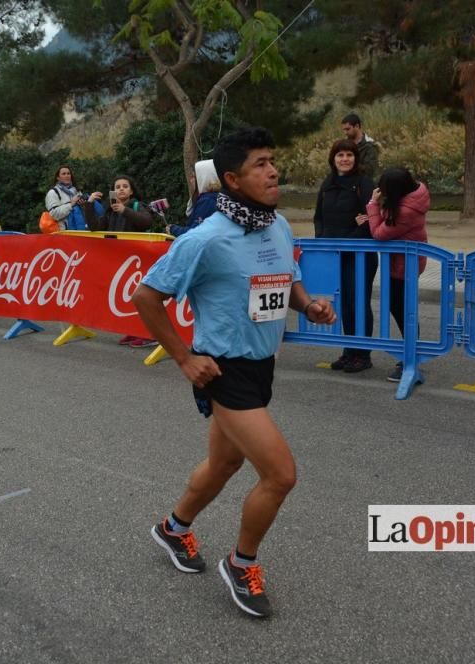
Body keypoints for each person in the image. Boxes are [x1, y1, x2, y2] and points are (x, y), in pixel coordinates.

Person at [133, 127, 336, 619]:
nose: (273, 171)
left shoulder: (279, 225)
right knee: (280, 474)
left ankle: (173, 529)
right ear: (232, 179)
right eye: (260, 164)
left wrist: (308, 305)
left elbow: (285, 280)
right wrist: (184, 358)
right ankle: (241, 562)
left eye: (273, 160)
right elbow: (145, 297)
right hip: (224, 371)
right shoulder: (206, 239)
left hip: (262, 364)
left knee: (224, 465)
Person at [314, 138, 377, 373]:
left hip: (360, 255)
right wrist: (322, 239)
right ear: (333, 159)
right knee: (346, 304)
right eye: (340, 155)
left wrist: (351, 234)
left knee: (359, 302)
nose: (345, 159)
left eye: (349, 155)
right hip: (335, 254)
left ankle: (363, 354)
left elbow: (370, 218)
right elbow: (319, 216)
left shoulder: (364, 184)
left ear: (356, 158)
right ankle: (349, 351)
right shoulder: (327, 184)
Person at [364, 167, 430, 381]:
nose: (382, 193)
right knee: (401, 307)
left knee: (403, 310)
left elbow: (380, 234)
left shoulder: (406, 211)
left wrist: (373, 206)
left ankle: (411, 357)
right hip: (404, 262)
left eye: (385, 190)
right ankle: (412, 353)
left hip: (405, 266)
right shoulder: (413, 196)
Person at [85, 174, 157, 347]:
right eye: (117, 187)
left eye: (125, 186)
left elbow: (146, 222)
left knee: (142, 298)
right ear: (113, 192)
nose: (121, 189)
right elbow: (95, 227)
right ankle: (133, 331)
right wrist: (89, 205)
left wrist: (125, 211)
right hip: (119, 261)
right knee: (126, 298)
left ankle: (150, 334)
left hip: (138, 261)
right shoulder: (110, 210)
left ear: (131, 191)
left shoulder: (138, 206)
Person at [168, 159, 221, 237]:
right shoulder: (214, 197)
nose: (191, 180)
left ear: (203, 178)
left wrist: (173, 229)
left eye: (194, 177)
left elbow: (195, 233)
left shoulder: (207, 201)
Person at [44, 166, 103, 231]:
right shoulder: (53, 192)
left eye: (68, 173)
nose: (67, 176)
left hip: (80, 231)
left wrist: (83, 205)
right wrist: (71, 204)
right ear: (58, 178)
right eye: (63, 174)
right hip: (63, 233)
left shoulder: (77, 191)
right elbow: (54, 214)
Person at [341, 112, 380, 179]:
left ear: (357, 126)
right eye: (344, 130)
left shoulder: (370, 146)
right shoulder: (344, 144)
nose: (345, 132)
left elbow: (370, 170)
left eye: (348, 129)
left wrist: (350, 164)